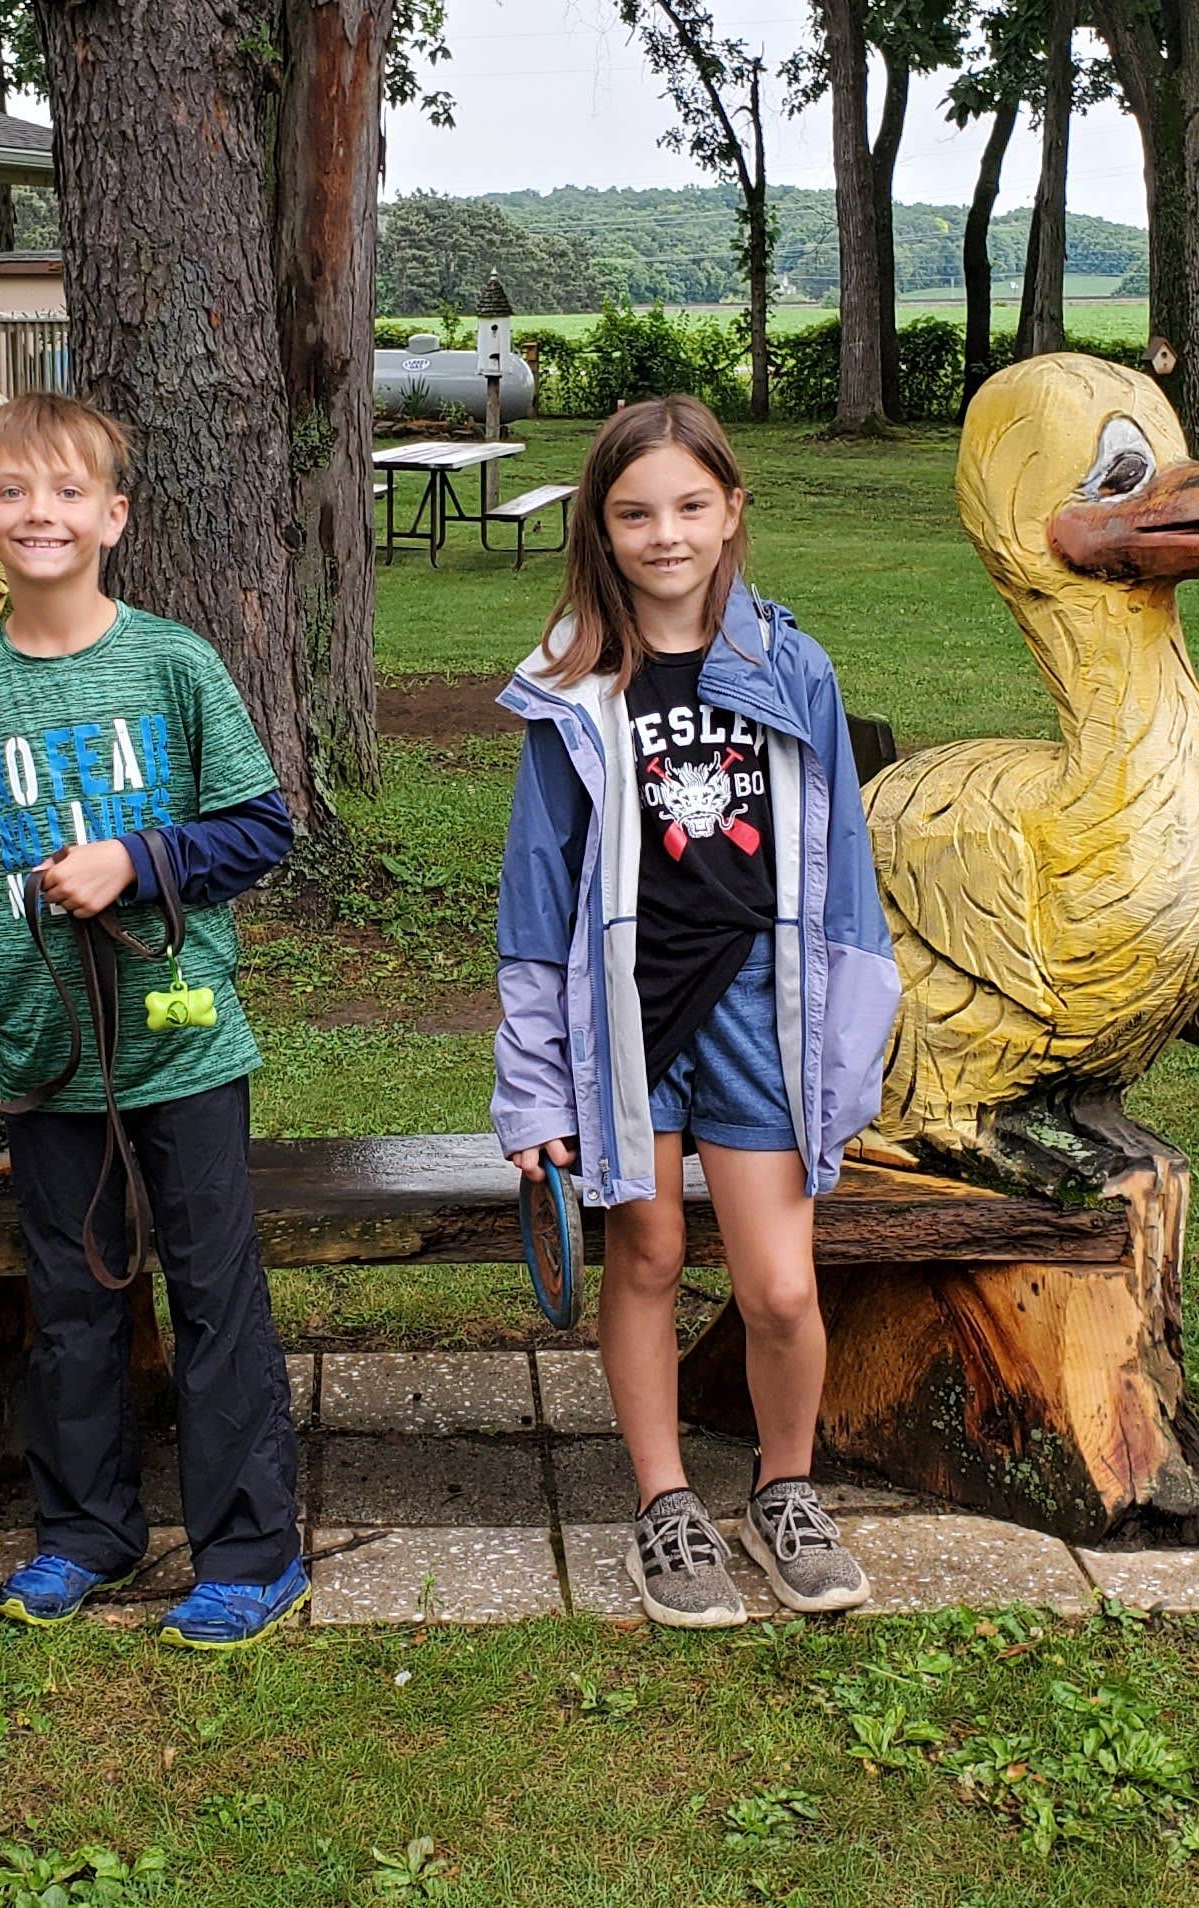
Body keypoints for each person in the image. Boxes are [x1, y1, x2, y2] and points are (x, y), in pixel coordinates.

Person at [0, 392, 309, 1649]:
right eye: (12, 492)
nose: (40, 514)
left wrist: (137, 860)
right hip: (43, 1060)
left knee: (214, 1294)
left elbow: (259, 829)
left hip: (181, 1050)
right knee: (71, 1303)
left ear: (113, 517)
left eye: (68, 493)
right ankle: (87, 1533)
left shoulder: (174, 665)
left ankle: (250, 1550)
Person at [491, 395, 901, 1630]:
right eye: (634, 513)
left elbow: (842, 880)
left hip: (758, 1013)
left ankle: (788, 1489)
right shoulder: (573, 682)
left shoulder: (794, 667)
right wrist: (532, 1086)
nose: (664, 535)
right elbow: (536, 890)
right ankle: (665, 1503)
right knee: (652, 1254)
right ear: (601, 529)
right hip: (624, 1016)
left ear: (732, 513)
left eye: (688, 506)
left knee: (780, 1287)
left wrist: (847, 1047)